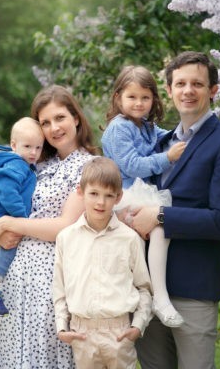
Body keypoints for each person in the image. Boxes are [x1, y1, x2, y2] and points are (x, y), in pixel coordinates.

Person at [130, 51, 220, 369]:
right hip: (145, 289)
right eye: (180, 83)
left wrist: (160, 216)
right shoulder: (158, 146)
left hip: (193, 288)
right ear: (169, 90)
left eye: (197, 84)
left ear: (213, 90)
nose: (188, 91)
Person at [0, 85, 99, 369]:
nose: (53, 128)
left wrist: (9, 223)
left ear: (76, 118)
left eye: (60, 118)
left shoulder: (90, 167)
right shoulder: (36, 163)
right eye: (45, 122)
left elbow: (65, 226)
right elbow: (5, 201)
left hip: (49, 284)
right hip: (10, 282)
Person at [100, 65, 186, 327]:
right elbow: (131, 165)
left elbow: (169, 137)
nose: (139, 103)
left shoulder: (147, 126)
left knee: (160, 229)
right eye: (132, 97)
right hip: (125, 195)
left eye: (145, 97)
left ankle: (152, 299)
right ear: (118, 98)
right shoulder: (119, 128)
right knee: (158, 227)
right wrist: (167, 158)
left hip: (141, 195)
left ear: (153, 100)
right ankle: (156, 297)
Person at [53, 157, 152, 369]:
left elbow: (144, 287)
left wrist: (138, 325)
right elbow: (59, 289)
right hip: (81, 333)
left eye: (109, 195)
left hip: (119, 332)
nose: (101, 202)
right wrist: (61, 326)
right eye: (94, 194)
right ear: (81, 192)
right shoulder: (66, 238)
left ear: (118, 197)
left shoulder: (130, 238)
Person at [0, 117, 44, 317]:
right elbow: (7, 192)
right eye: (28, 147)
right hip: (6, 214)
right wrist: (21, 218)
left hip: (8, 214)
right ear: (14, 145)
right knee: (10, 246)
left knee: (10, 246)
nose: (33, 153)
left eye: (38, 147)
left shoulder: (22, 163)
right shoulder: (16, 165)